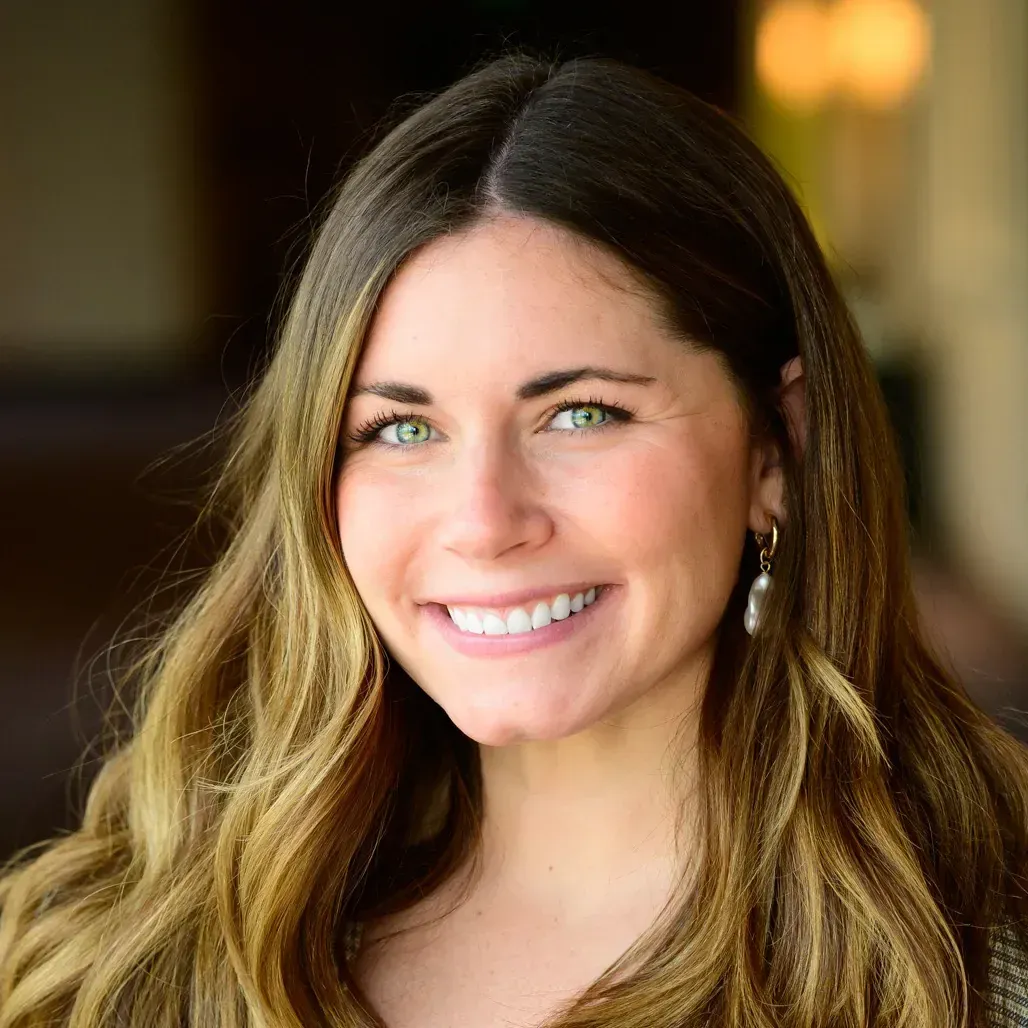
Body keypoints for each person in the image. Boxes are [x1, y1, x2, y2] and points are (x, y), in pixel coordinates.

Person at [1, 51, 1026, 1028]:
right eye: (401, 428)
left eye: (579, 413)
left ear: (775, 449)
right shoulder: (127, 945)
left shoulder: (980, 954)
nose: (484, 520)